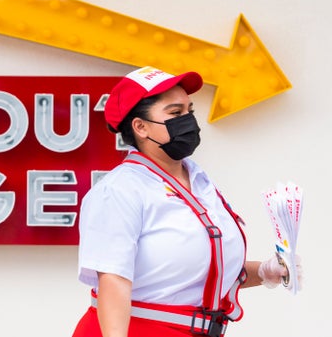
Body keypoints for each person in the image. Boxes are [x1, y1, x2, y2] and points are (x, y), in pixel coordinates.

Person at [72, 66, 300, 337]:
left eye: (189, 111)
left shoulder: (200, 183)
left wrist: (263, 272)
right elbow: (113, 281)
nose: (188, 121)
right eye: (175, 113)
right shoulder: (119, 190)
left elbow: (190, 277)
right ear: (141, 127)